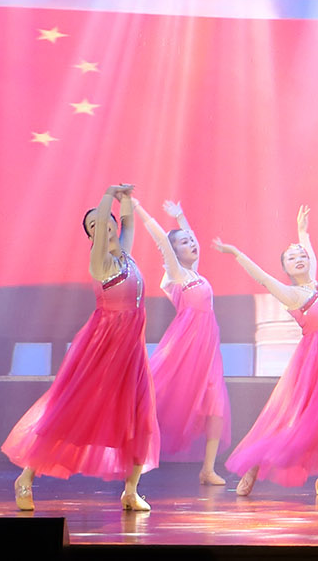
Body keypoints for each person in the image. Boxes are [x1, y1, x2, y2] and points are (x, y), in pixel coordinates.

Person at [4, 185, 158, 513]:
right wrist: (107, 196)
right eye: (93, 226)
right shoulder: (100, 262)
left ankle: (131, 491)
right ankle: (25, 478)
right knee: (70, 413)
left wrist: (124, 199)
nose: (101, 227)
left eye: (105, 222)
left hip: (132, 351)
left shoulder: (125, 255)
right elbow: (105, 229)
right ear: (91, 236)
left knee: (140, 417)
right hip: (104, 348)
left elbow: (128, 223)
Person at [216, 205, 318, 497]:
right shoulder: (293, 294)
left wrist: (302, 232)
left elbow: (310, 252)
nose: (299, 259)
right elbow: (262, 278)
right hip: (316, 361)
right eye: (291, 258)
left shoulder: (315, 283)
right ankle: (255, 463)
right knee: (301, 424)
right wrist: (236, 254)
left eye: (301, 256)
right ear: (285, 269)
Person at [133, 199, 230, 486]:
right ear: (174, 252)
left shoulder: (195, 273)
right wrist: (138, 208)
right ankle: (134, 451)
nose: (192, 244)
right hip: (184, 347)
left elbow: (192, 239)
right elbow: (161, 239)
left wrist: (181, 217)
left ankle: (208, 469)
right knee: (158, 394)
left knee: (216, 404)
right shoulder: (176, 274)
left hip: (208, 350)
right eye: (184, 242)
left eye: (191, 241)